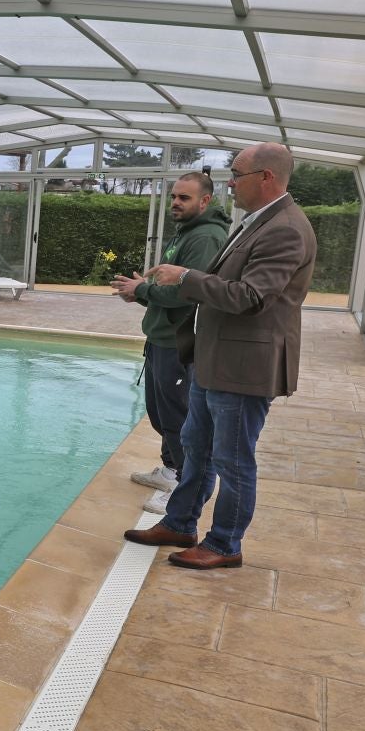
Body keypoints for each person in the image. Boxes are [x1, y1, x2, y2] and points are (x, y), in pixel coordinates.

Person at [123, 143, 317, 570]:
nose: (231, 182)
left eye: (238, 174)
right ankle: (180, 523)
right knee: (197, 447)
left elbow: (250, 298)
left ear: (266, 177)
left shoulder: (285, 227)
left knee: (232, 460)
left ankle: (225, 544)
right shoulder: (258, 222)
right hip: (217, 361)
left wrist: (187, 277)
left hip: (244, 368)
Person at [111, 172, 230, 515]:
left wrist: (143, 290)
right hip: (163, 338)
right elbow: (171, 291)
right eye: (174, 196)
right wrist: (141, 293)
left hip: (180, 342)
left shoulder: (206, 237)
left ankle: (182, 485)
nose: (176, 203)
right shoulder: (188, 232)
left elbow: (189, 292)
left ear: (205, 201)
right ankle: (171, 470)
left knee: (179, 418)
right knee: (161, 413)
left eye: (185, 198)